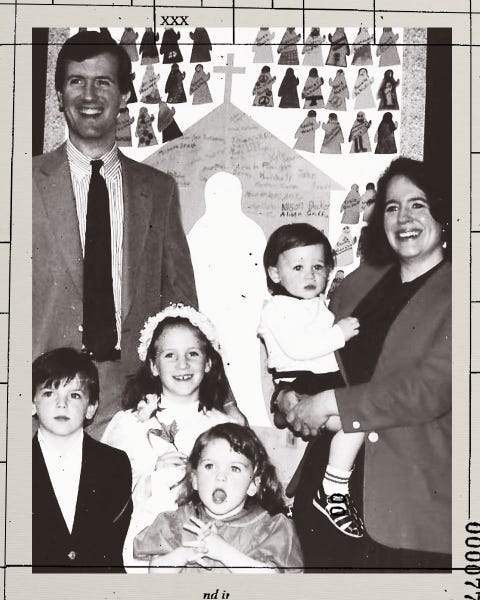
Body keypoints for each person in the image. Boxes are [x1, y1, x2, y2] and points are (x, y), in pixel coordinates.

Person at [275, 157, 451, 571]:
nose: (403, 218)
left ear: (443, 215)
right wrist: (288, 394)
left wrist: (328, 404)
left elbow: (429, 389)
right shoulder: (360, 282)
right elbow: (317, 353)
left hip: (412, 502)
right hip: (327, 489)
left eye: (418, 204)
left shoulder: (464, 292)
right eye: (392, 207)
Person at [33, 30, 197, 439]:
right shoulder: (20, 183)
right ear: (58, 94)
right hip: (40, 397)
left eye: (103, 82)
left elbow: (181, 303)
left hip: (128, 403)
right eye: (76, 82)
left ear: (124, 95)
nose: (89, 95)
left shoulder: (158, 190)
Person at [101, 304, 246, 570]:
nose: (183, 364)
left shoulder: (224, 424)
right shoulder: (129, 424)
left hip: (213, 548)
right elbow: (105, 499)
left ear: (209, 362)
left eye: (193, 353)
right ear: (154, 366)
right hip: (149, 549)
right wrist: (152, 479)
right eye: (170, 355)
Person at [258, 224, 364, 538]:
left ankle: (334, 484)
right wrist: (339, 334)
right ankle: (333, 488)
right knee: (356, 422)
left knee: (357, 423)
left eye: (318, 267)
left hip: (325, 381)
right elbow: (299, 348)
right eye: (299, 267)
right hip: (303, 382)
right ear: (275, 274)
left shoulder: (316, 306)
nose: (310, 275)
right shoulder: (277, 309)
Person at [133, 423, 303, 573]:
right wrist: (185, 553)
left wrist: (223, 552)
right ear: (194, 479)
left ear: (253, 484)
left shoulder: (269, 528)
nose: (220, 476)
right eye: (210, 466)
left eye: (235, 468)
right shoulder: (176, 521)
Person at [32, 348, 133, 572]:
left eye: (74, 395)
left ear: (91, 408)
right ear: (32, 403)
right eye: (49, 393)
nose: (62, 404)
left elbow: (113, 550)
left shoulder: (115, 464)